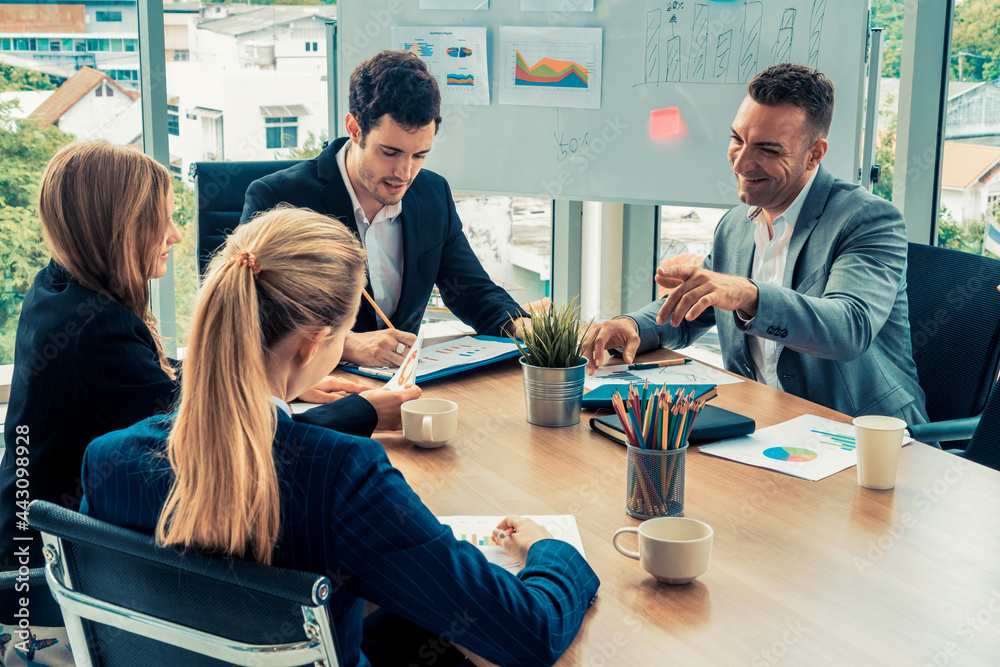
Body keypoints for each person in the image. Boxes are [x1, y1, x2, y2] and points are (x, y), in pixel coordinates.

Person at [80, 207, 600, 667]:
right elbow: (530, 633)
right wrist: (550, 552)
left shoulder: (108, 459)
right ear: (312, 347)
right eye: (348, 331)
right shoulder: (342, 475)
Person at [0, 141, 417, 585]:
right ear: (114, 228)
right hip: (47, 583)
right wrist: (366, 410)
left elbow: (151, 382)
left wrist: (270, 378)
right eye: (158, 221)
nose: (176, 235)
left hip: (23, 539)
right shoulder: (96, 331)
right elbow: (219, 444)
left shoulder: (58, 286)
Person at [582, 64, 928, 426]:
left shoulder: (867, 219)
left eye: (767, 149)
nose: (742, 161)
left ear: (814, 154)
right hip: (766, 425)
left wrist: (749, 294)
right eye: (737, 139)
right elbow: (698, 304)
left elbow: (848, 329)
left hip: (862, 439)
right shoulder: (735, 225)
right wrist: (633, 326)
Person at [241, 50, 531, 368]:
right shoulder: (279, 198)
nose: (405, 173)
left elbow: (470, 291)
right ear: (354, 128)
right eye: (390, 152)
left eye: (419, 155)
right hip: (309, 393)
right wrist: (345, 344)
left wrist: (523, 327)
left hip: (403, 391)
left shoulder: (433, 195)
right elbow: (243, 314)